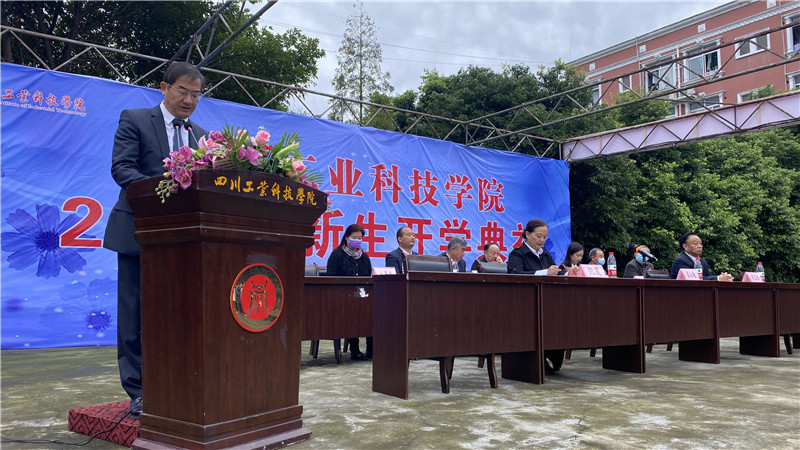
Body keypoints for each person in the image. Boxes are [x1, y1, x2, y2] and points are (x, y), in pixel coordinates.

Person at [103, 62, 207, 418]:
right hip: (139, 232)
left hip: (184, 241)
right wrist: (166, 190)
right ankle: (138, 390)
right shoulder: (135, 120)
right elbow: (122, 168)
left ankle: (175, 383)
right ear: (164, 88)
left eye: (196, 95)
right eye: (183, 91)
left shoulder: (202, 137)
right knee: (134, 314)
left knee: (177, 314)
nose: (189, 100)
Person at [506, 219, 572, 372]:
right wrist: (544, 273)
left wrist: (568, 273)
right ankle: (537, 359)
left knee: (562, 318)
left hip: (547, 301)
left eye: (544, 237)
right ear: (527, 234)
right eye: (538, 236)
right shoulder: (517, 254)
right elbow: (516, 275)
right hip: (525, 303)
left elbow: (555, 272)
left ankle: (552, 354)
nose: (542, 240)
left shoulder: (545, 254)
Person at [326, 223, 374, 359]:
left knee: (372, 309)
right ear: (346, 237)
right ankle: (354, 349)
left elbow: (369, 278)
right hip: (341, 297)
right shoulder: (337, 254)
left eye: (360, 238)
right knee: (353, 310)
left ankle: (371, 349)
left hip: (361, 295)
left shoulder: (364, 257)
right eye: (354, 237)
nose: (357, 240)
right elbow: (331, 277)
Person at [670, 232, 734, 281]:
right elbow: (693, 279)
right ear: (685, 246)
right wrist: (718, 278)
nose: (699, 246)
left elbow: (707, 276)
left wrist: (723, 277)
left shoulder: (702, 261)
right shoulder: (680, 261)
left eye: (700, 243)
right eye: (695, 243)